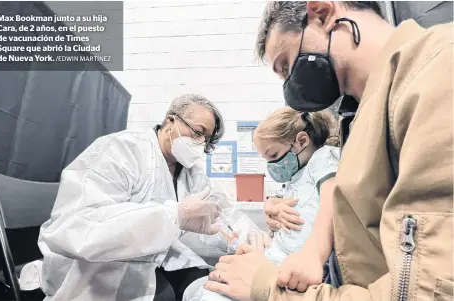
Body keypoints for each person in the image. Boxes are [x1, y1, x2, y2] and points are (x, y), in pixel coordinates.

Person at [204, 2, 453, 301]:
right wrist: (307, 245)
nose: (290, 87)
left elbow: (424, 292)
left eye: (286, 65)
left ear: (322, 13)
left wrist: (269, 289)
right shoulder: (360, 117)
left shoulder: (437, 71)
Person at [37, 94, 266, 301]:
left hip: (163, 259)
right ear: (170, 122)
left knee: (213, 288)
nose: (200, 144)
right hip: (104, 270)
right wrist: (173, 215)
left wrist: (251, 236)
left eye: (206, 140)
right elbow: (78, 226)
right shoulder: (122, 150)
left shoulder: (191, 171)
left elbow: (221, 212)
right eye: (197, 132)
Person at [185, 107, 340, 301]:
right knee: (200, 288)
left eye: (273, 155)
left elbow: (334, 200)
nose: (271, 166)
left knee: (209, 294)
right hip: (276, 256)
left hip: (290, 263)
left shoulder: (323, 157)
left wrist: (314, 255)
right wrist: (273, 206)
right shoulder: (296, 175)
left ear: (301, 141)